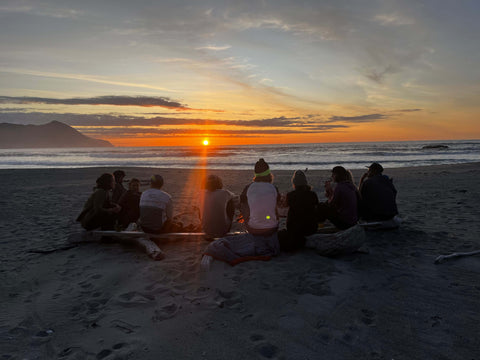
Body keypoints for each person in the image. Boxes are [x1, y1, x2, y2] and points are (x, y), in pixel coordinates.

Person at [202, 159, 281, 266]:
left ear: (256, 174)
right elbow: (276, 206)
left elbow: (241, 205)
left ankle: (253, 222)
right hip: (272, 228)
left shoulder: (248, 188)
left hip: (253, 229)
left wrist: (246, 214)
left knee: (245, 205)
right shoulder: (274, 188)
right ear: (269, 174)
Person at [278, 170, 319, 252]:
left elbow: (284, 207)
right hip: (311, 228)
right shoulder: (313, 194)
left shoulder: (290, 195)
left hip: (294, 229)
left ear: (294, 183)